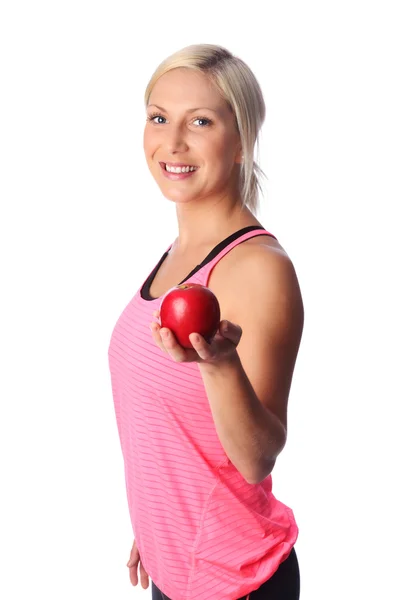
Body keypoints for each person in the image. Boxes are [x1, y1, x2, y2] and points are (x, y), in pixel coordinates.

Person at [108, 43, 304, 600]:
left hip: (236, 583)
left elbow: (257, 455)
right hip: (182, 569)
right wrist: (158, 521)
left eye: (200, 121)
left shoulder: (257, 269)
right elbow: (171, 422)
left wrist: (220, 365)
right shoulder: (180, 253)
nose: (173, 143)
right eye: (158, 118)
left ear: (240, 140)